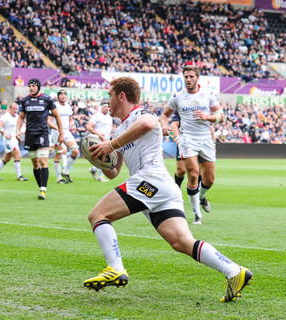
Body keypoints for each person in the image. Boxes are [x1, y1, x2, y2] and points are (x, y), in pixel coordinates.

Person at [82, 76, 252, 303]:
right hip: (161, 187)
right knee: (181, 241)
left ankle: (115, 267)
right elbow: (114, 172)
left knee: (97, 215)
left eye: (110, 96)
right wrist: (99, 158)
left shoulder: (141, 115)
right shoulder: (119, 130)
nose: (108, 101)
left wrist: (111, 145)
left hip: (150, 180)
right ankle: (234, 271)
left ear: (121, 96)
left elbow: (148, 125)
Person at [160, 64, 224, 224]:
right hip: (187, 139)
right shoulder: (177, 96)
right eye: (186, 77)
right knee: (193, 174)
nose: (188, 80)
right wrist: (163, 125)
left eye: (191, 77)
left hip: (206, 139)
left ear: (197, 78)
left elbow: (221, 116)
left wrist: (207, 117)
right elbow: (165, 115)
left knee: (209, 179)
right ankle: (197, 215)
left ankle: (201, 197)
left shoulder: (208, 94)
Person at [16, 78, 64, 200]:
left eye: (33, 86)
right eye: (29, 86)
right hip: (29, 135)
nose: (31, 88)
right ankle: (41, 188)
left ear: (38, 87)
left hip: (42, 134)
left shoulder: (47, 99)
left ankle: (43, 189)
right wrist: (17, 130)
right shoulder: (25, 101)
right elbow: (21, 117)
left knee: (43, 162)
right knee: (35, 164)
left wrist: (61, 132)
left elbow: (57, 116)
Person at [0, 102, 28, 181]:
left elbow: (18, 129)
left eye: (16, 109)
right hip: (8, 140)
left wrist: (18, 135)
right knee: (17, 154)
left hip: (14, 139)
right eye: (14, 109)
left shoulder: (17, 117)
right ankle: (19, 176)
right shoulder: (5, 117)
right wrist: (5, 134)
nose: (15, 111)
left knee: (6, 158)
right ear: (10, 108)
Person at [49, 90, 79, 183]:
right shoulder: (54, 106)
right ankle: (59, 178)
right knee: (59, 153)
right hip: (56, 132)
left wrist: (72, 125)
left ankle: (65, 171)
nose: (63, 96)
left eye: (64, 94)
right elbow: (48, 121)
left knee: (75, 151)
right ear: (58, 96)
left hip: (66, 131)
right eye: (61, 95)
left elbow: (70, 119)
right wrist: (57, 128)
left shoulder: (68, 106)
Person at [85, 100, 114, 182]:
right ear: (101, 107)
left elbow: (110, 127)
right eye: (104, 106)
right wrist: (98, 134)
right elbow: (89, 127)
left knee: (103, 157)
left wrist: (112, 133)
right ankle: (100, 176)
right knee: (103, 157)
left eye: (107, 106)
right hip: (98, 139)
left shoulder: (109, 116)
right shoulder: (97, 116)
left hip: (107, 139)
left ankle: (94, 169)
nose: (106, 108)